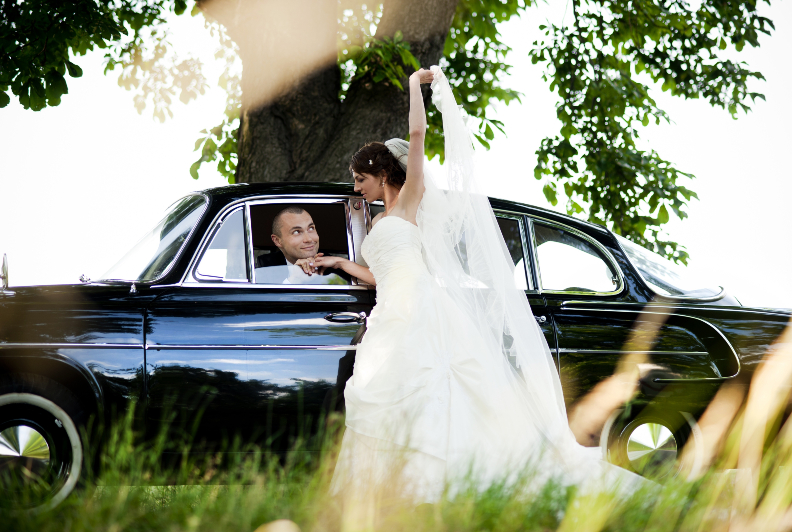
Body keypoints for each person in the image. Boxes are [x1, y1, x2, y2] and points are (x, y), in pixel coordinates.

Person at [314, 67, 644, 502]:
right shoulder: (374, 221)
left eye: (361, 179)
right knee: (380, 392)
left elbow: (416, 135)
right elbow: (379, 275)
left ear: (381, 173)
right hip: (390, 312)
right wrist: (338, 262)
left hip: (421, 307)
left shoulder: (411, 200)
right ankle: (394, 490)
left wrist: (416, 86)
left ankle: (443, 484)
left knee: (434, 388)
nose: (356, 187)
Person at [254, 206, 347, 285]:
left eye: (311, 228)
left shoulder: (335, 268)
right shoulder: (266, 266)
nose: (309, 239)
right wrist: (294, 280)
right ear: (278, 241)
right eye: (296, 232)